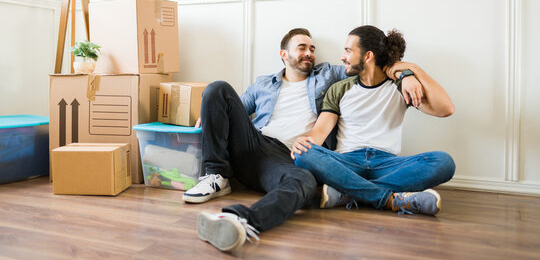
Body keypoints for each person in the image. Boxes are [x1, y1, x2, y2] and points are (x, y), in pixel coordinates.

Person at [182, 28, 347, 252]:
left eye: (312, 49)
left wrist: (405, 73)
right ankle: (216, 176)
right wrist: (211, 110)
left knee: (305, 182)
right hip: (254, 143)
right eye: (302, 48)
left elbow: (369, 68)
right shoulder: (263, 84)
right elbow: (233, 107)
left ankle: (240, 221)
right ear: (284, 54)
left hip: (287, 159)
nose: (309, 53)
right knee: (217, 89)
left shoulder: (328, 74)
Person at [291, 25, 456, 216]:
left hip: (387, 164)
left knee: (444, 162)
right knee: (304, 154)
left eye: (348, 51)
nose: (342, 57)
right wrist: (305, 142)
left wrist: (413, 69)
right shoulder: (340, 89)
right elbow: (319, 132)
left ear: (367, 56)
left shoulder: (400, 87)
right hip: (346, 163)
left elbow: (446, 109)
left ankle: (350, 194)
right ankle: (391, 200)